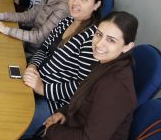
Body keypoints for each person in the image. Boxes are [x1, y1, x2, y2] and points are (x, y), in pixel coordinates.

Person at [19, 0, 104, 138]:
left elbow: (82, 86)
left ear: (96, 5)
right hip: (35, 81)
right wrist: (32, 66)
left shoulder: (91, 39)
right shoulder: (67, 21)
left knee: (16, 123)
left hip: (56, 102)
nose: (75, 2)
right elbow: (44, 48)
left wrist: (42, 88)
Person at [43, 11, 138, 140]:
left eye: (111, 40)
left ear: (126, 47)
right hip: (72, 126)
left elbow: (90, 138)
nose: (99, 44)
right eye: (99, 34)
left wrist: (52, 130)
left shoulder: (116, 87)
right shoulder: (105, 63)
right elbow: (84, 96)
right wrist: (63, 112)